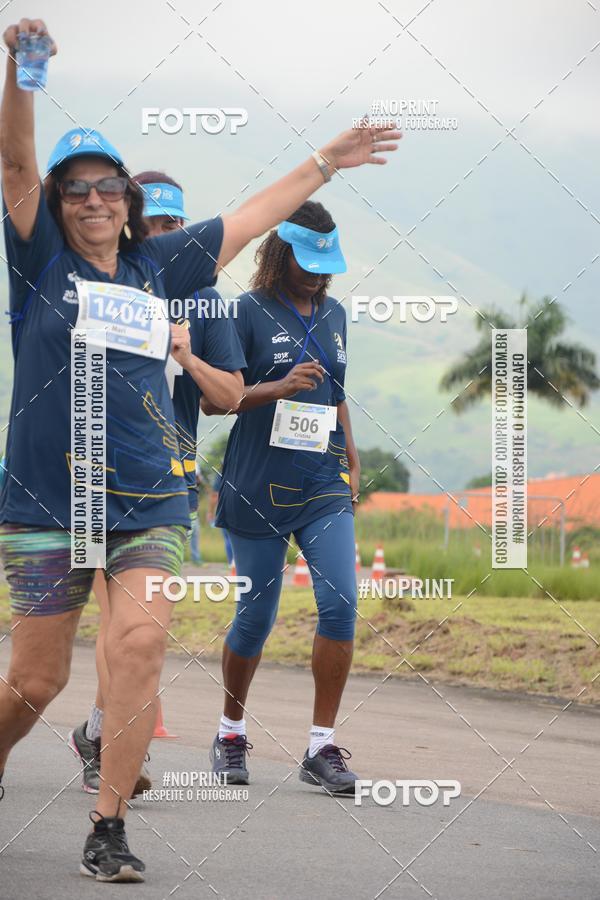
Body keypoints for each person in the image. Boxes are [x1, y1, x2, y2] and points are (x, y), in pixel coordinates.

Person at [0, 16, 399, 882]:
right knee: (35, 683)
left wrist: (327, 160)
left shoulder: (162, 266)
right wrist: (23, 74)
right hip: (44, 505)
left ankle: (108, 827)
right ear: (59, 204)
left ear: (129, 203)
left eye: (110, 187)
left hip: (149, 495)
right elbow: (14, 167)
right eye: (78, 191)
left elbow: (257, 212)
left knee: (140, 646)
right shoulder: (37, 266)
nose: (95, 200)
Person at [67, 171, 245, 796]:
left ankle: (98, 732)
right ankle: (106, 746)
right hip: (94, 474)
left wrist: (186, 357)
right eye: (153, 225)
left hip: (171, 484)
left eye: (175, 226)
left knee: (137, 629)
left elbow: (230, 396)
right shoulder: (93, 286)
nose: (163, 235)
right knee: (116, 620)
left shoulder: (207, 303)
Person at [202, 201, 361, 794]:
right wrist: (280, 387)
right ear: (279, 251)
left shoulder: (338, 314)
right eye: (308, 261)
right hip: (255, 483)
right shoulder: (244, 312)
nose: (319, 274)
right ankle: (230, 733)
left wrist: (351, 449)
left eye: (327, 264)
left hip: (321, 483)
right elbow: (217, 399)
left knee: (341, 601)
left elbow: (338, 392)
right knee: (256, 617)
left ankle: (321, 747)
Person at [207, 471, 235, 568]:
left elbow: (215, 495)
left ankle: (232, 564)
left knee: (228, 538)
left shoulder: (221, 473)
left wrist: (210, 511)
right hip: (242, 509)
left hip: (225, 509)